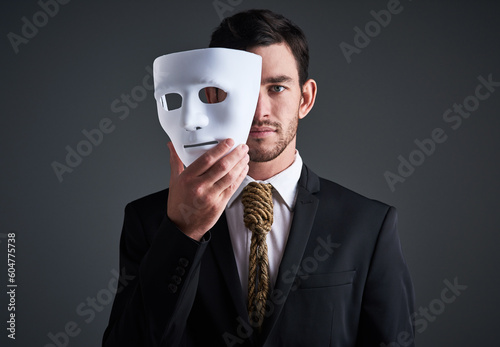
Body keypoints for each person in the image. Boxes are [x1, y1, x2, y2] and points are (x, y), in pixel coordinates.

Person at [102, 9, 415, 347]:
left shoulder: (368, 224)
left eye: (277, 88)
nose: (259, 111)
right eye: (240, 91)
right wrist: (184, 233)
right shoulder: (151, 222)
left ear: (305, 99)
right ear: (209, 97)